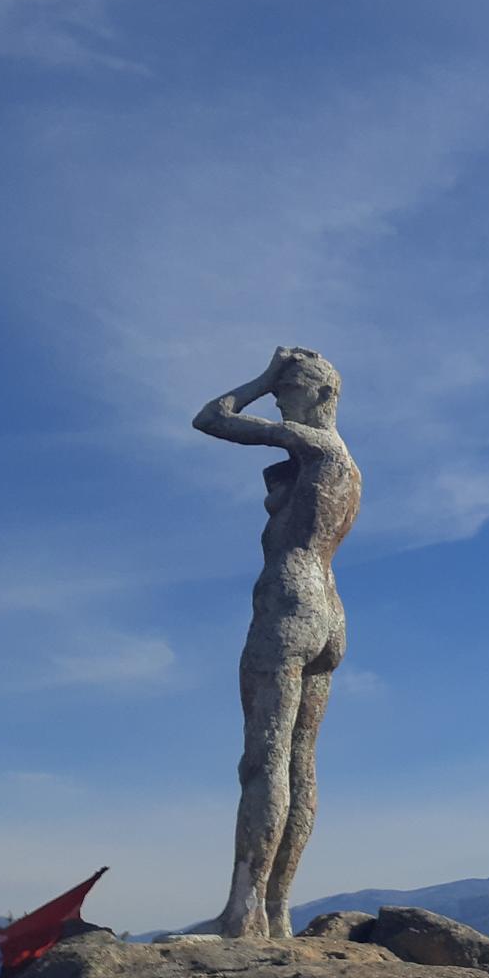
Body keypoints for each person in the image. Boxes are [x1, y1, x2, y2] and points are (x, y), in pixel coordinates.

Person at [194, 346, 361, 937]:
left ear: (320, 396)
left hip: (289, 604)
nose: (281, 401)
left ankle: (243, 913)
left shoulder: (315, 443)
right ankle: (279, 914)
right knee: (301, 765)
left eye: (290, 391)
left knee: (263, 763)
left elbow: (211, 418)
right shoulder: (347, 466)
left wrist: (261, 379)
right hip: (330, 613)